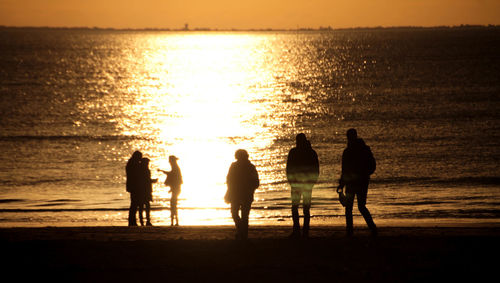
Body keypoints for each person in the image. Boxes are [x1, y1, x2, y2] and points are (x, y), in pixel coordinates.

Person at [338, 128, 377, 236]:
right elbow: (372, 166)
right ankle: (372, 229)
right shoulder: (364, 149)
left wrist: (341, 183)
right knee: (360, 206)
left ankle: (350, 232)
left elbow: (344, 170)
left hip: (353, 183)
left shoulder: (349, 151)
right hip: (362, 182)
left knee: (350, 208)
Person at [286, 133, 319, 238]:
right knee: (302, 208)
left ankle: (301, 231)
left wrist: (291, 181)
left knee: (299, 207)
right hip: (302, 184)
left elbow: (289, 168)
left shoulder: (295, 152)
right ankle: (302, 231)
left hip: (300, 184)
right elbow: (316, 169)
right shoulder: (310, 152)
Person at [225, 149, 259, 240]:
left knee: (239, 214)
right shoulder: (248, 167)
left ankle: (242, 234)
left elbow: (229, 180)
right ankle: (242, 233)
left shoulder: (248, 167)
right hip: (239, 194)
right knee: (239, 214)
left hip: (240, 194)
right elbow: (229, 180)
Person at [160, 155, 183, 226]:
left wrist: (163, 171)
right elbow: (174, 177)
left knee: (173, 204)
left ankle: (174, 222)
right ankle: (174, 221)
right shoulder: (175, 167)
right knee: (173, 204)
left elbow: (172, 176)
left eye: (170, 160)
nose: (169, 162)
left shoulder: (175, 168)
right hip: (176, 189)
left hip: (176, 189)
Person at [126, 151, 143, 226]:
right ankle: (132, 221)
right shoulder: (134, 164)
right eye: (140, 157)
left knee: (134, 203)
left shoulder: (131, 163)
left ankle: (132, 221)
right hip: (135, 186)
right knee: (134, 204)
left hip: (132, 186)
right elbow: (137, 176)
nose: (141, 158)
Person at [139, 157, 157, 226]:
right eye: (147, 163)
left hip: (143, 190)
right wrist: (153, 181)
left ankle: (142, 221)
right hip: (146, 190)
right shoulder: (146, 170)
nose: (148, 164)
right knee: (146, 205)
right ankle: (147, 221)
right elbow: (146, 180)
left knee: (142, 206)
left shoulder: (141, 170)